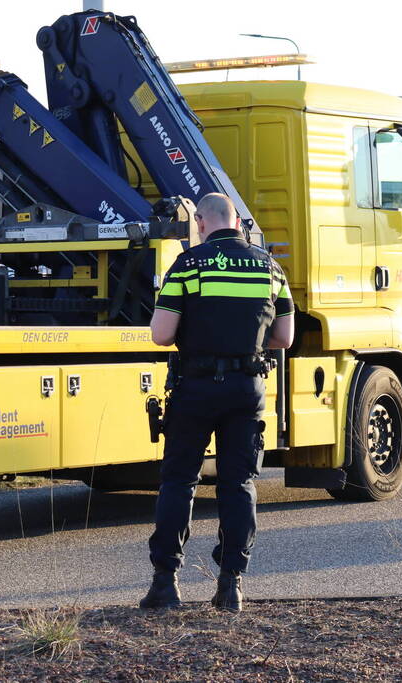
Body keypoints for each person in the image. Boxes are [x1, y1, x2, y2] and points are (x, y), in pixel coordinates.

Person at [140, 192, 294, 613]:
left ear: (202, 224)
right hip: (247, 390)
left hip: (196, 387)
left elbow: (161, 334)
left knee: (179, 482)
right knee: (239, 485)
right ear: (239, 223)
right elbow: (284, 339)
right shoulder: (270, 267)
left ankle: (165, 584)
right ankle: (231, 586)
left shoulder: (189, 264)